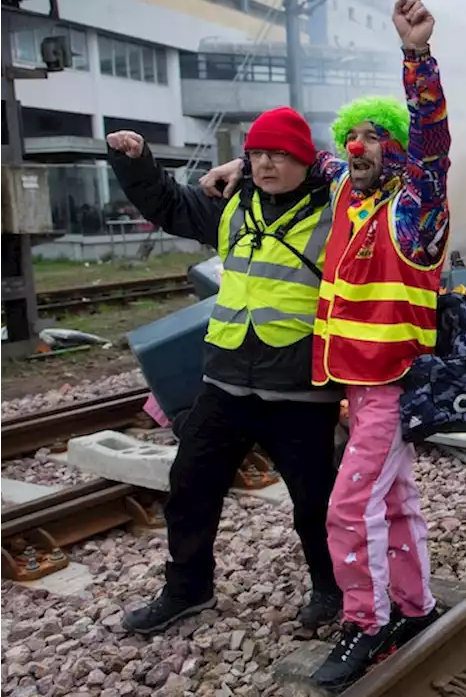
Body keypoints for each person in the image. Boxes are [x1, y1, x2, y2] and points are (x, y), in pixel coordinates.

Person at [200, 0, 451, 689]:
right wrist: (236, 169)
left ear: (397, 148)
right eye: (353, 138)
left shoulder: (415, 206)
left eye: (376, 137)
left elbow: (431, 139)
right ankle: (415, 605)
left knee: (348, 507)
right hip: (357, 387)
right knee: (395, 501)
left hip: (391, 386)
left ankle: (365, 624)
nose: (359, 146)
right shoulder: (350, 194)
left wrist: (417, 56)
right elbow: (313, 159)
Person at [104, 109, 343, 635]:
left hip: (300, 389)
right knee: (189, 485)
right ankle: (188, 588)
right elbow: (166, 203)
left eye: (278, 154)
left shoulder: (339, 210)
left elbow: (382, 178)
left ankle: (331, 588)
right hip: (226, 382)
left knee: (315, 501)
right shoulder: (232, 204)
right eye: (257, 154)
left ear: (306, 158)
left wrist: (311, 164)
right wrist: (136, 162)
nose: (264, 164)